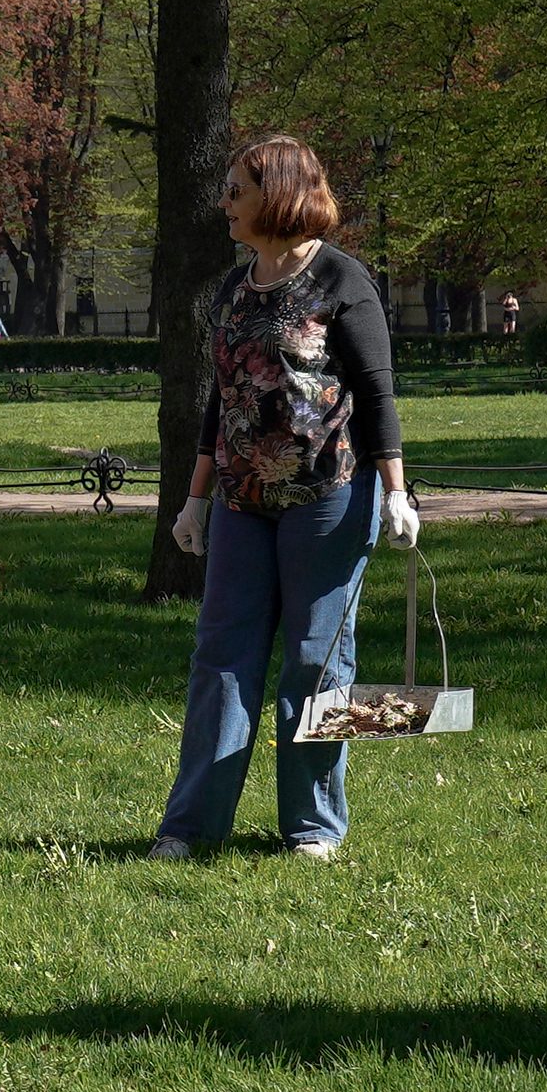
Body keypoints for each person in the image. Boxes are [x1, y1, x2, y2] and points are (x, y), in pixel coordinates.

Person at [153, 134, 417, 862]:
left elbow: (377, 391)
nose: (225, 203)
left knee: (317, 660)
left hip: (329, 496)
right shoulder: (235, 289)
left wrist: (396, 492)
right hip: (242, 501)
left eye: (237, 190)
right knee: (221, 658)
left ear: (278, 195)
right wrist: (193, 500)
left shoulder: (342, 279)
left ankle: (313, 826)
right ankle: (191, 826)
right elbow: (222, 399)